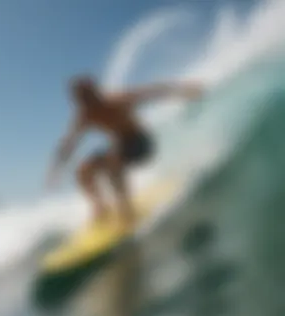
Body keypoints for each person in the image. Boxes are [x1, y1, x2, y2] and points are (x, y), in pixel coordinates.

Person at [46, 75, 203, 227]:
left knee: (113, 160)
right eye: (81, 98)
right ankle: (101, 207)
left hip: (141, 144)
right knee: (83, 171)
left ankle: (127, 210)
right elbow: (69, 143)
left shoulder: (115, 100)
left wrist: (184, 91)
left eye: (88, 95)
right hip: (120, 149)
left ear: (95, 91)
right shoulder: (85, 116)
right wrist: (55, 170)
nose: (86, 101)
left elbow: (150, 92)